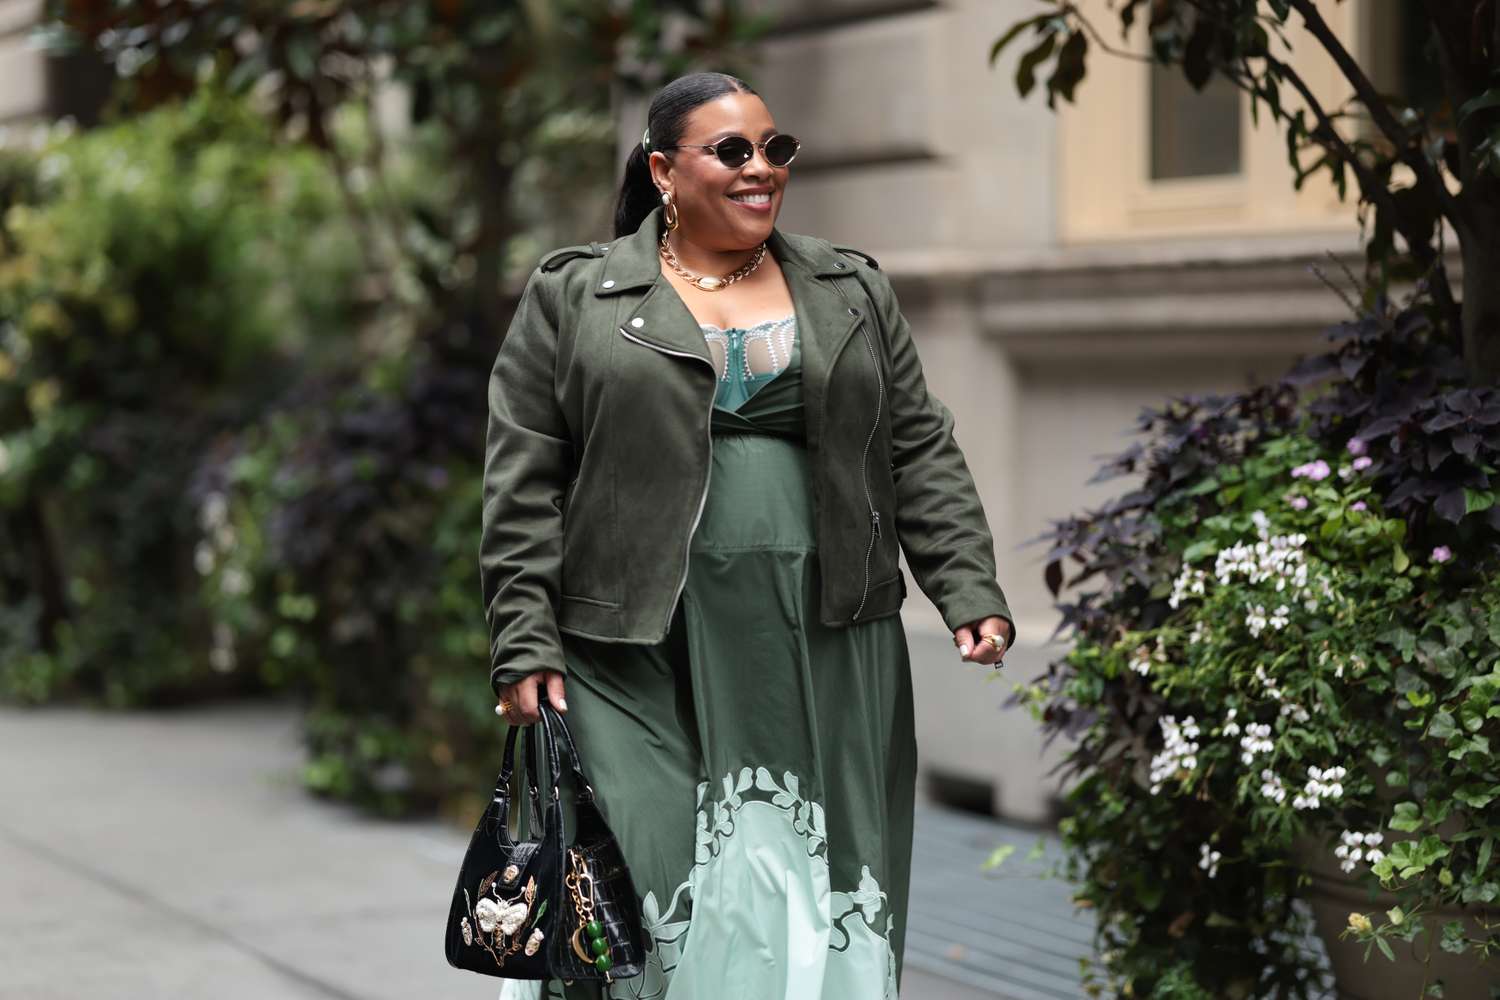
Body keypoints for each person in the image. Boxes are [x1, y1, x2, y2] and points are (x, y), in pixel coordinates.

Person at [480, 70, 1016, 1000]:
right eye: (731, 150)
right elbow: (524, 475)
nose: (760, 168)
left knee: (804, 885)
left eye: (776, 149)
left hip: (824, 634)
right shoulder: (579, 296)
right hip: (630, 641)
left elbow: (917, 443)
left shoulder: (847, 287)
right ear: (662, 169)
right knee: (646, 874)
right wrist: (523, 634)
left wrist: (967, 588)